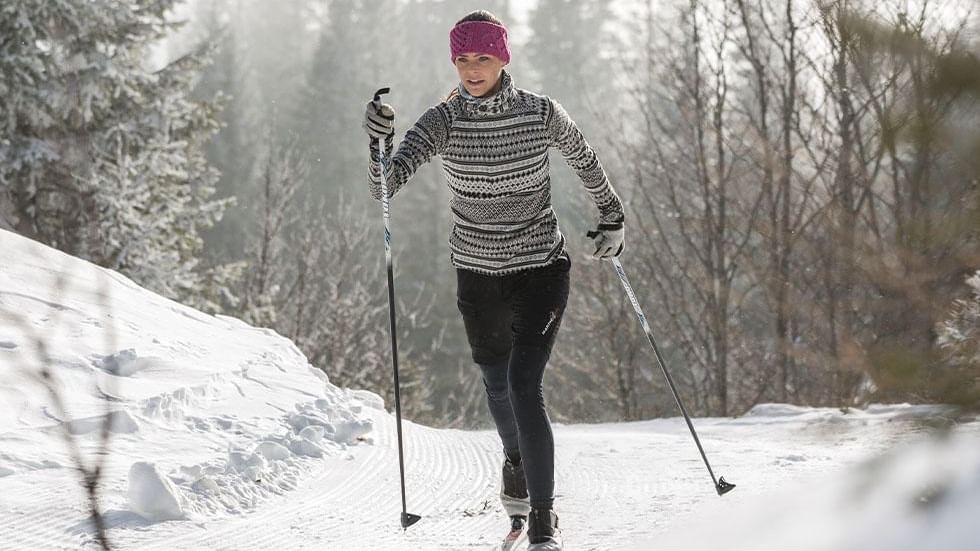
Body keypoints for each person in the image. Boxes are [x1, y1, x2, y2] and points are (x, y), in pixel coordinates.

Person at [363, 9, 625, 550]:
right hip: (477, 274)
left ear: (503, 58)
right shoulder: (441, 121)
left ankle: (544, 523)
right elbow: (385, 188)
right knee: (498, 384)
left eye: (482, 57)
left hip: (540, 269)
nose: (472, 68)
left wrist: (612, 216)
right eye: (462, 59)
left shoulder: (540, 113)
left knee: (527, 385)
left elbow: (585, 159)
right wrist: (377, 143)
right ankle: (515, 458)